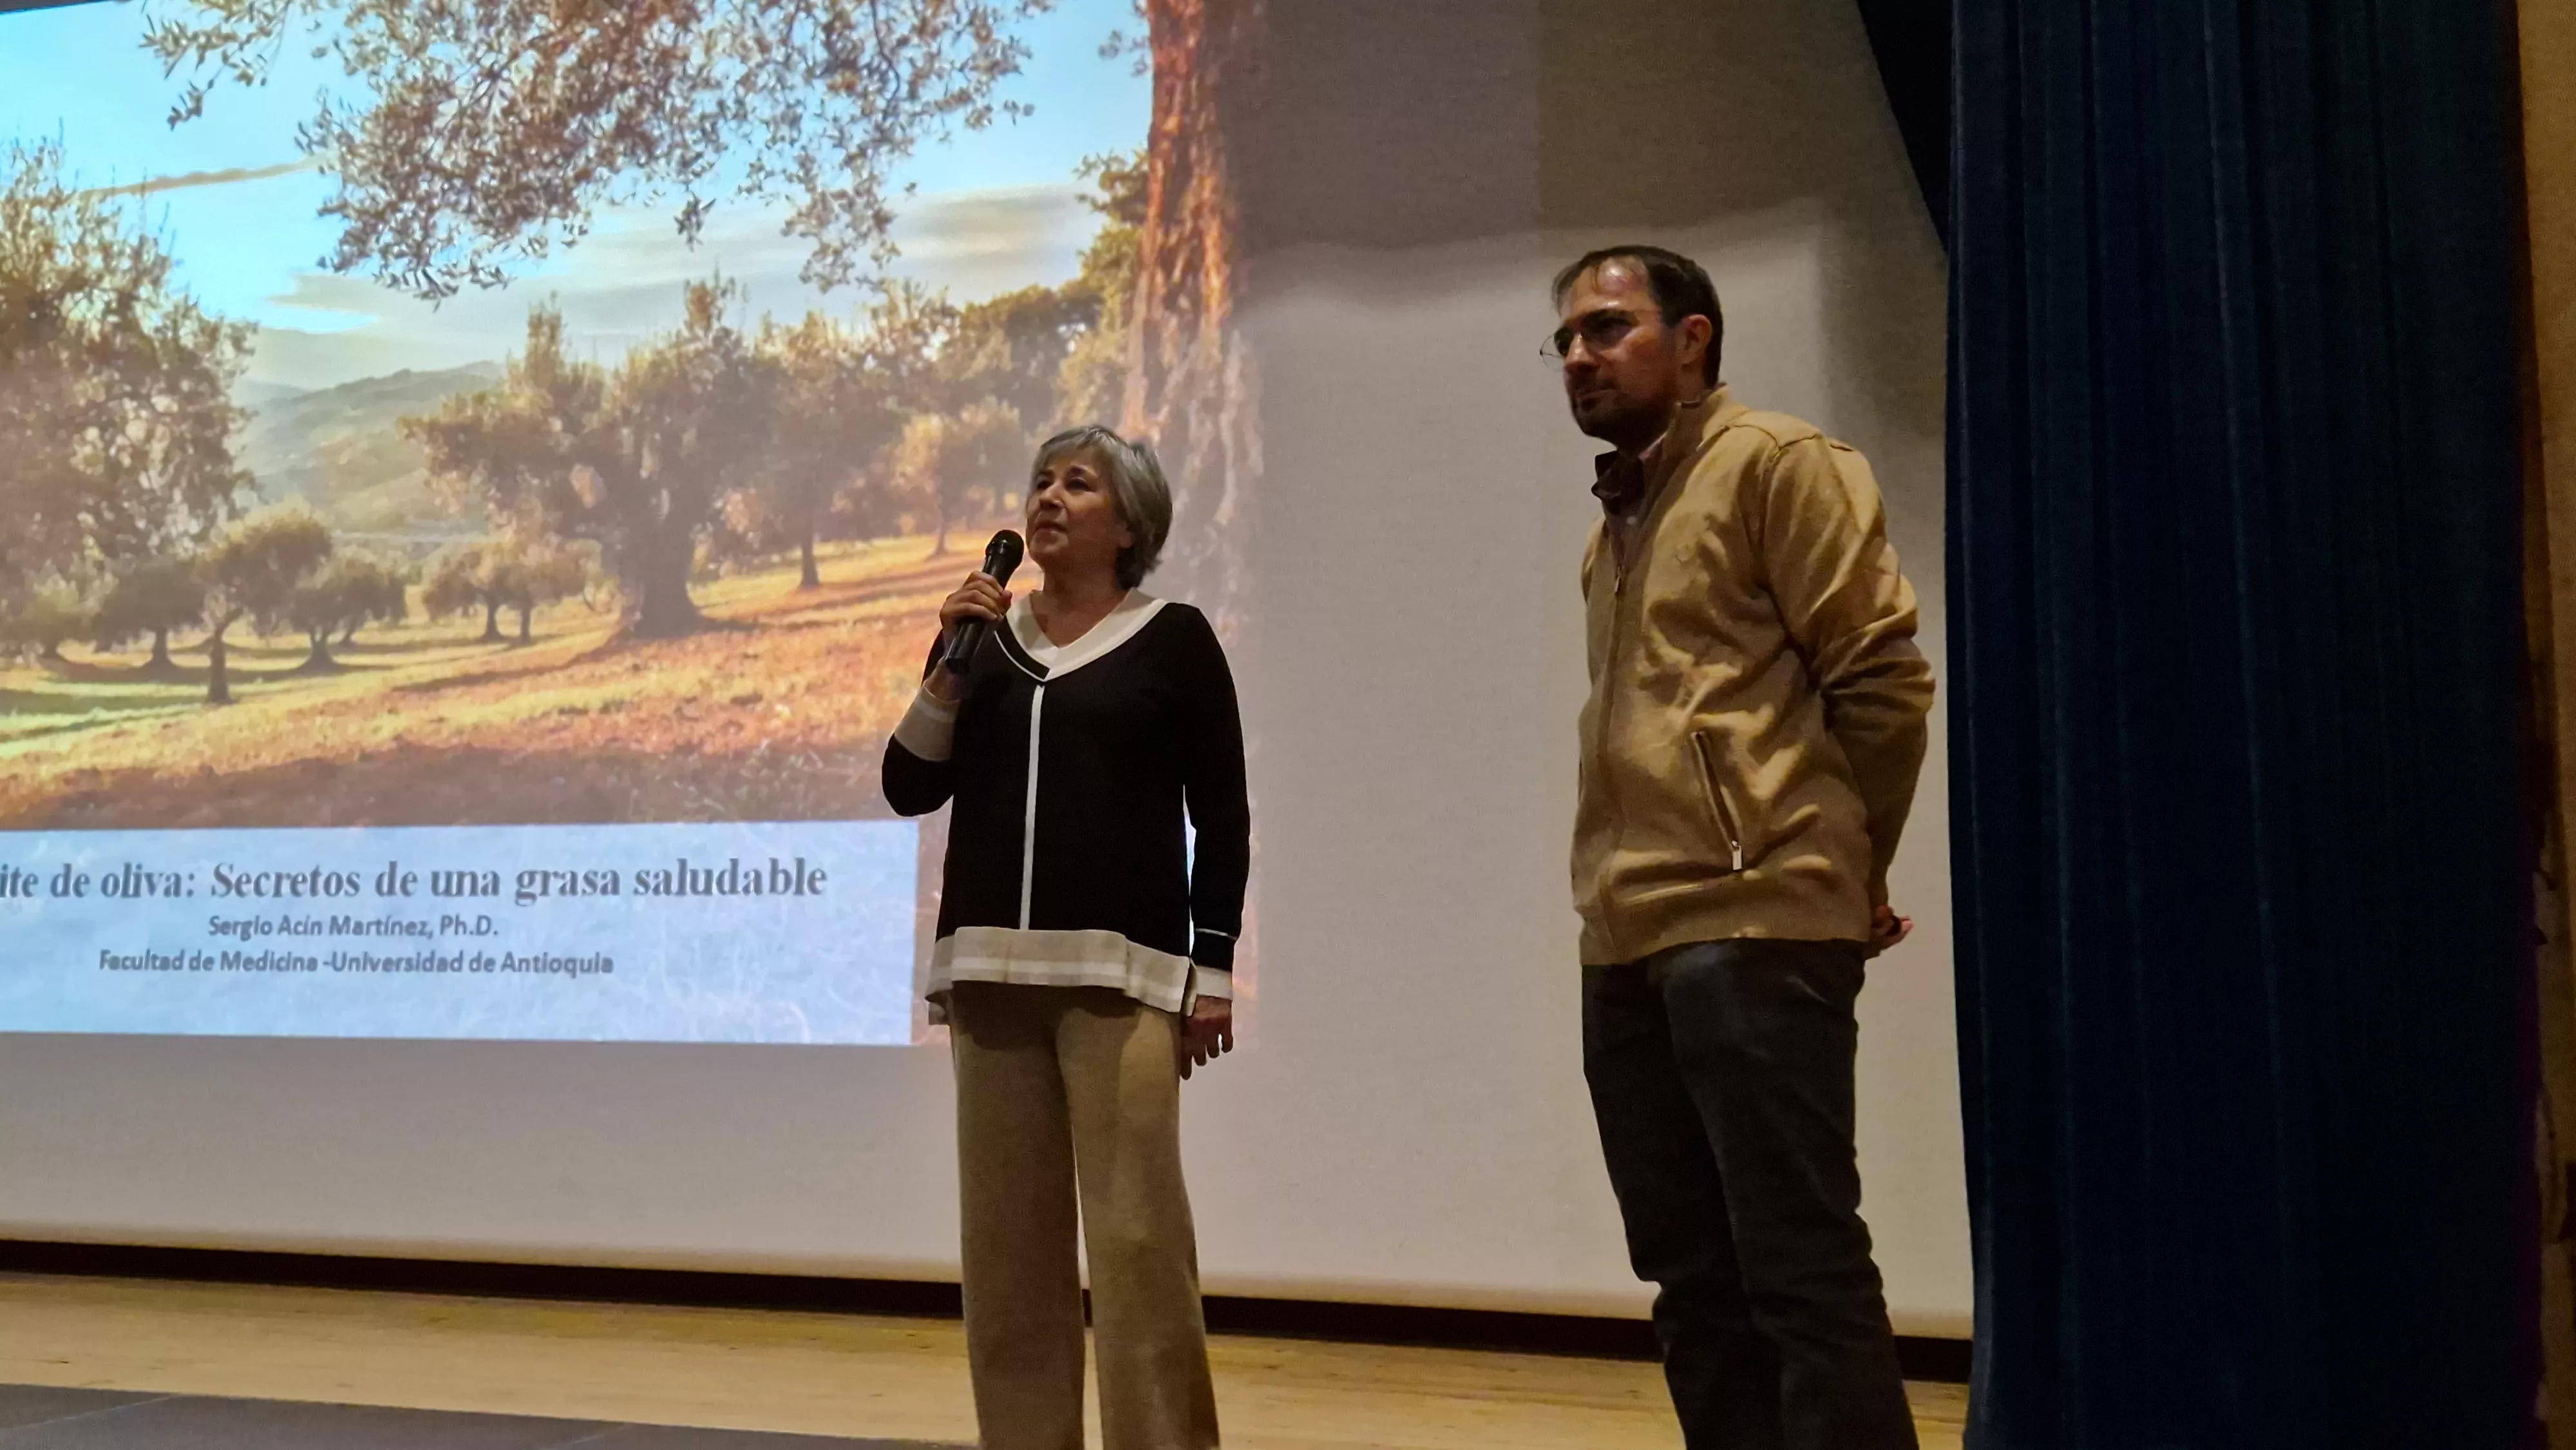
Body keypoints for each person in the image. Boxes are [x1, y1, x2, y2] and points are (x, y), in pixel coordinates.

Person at [1549, 245, 1935, 1450]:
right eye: (1564, 341)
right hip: (1627, 942)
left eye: (1606, 329)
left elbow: (1883, 685)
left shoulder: (1778, 465)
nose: (1577, 357)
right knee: (1692, 1283)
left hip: (1757, 923)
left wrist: (1845, 864)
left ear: (1695, 338)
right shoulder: (1615, 523)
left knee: (1799, 1270)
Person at [882, 424, 1246, 1450]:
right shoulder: (983, 639)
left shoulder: (1173, 638)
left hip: (1121, 981)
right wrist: (946, 667)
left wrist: (1208, 970)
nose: (1047, 498)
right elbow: (907, 783)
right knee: (1008, 1255)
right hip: (989, 976)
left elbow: (1222, 814)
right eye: (1041, 481)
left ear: (1130, 523)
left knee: (1136, 1244)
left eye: (1077, 484)